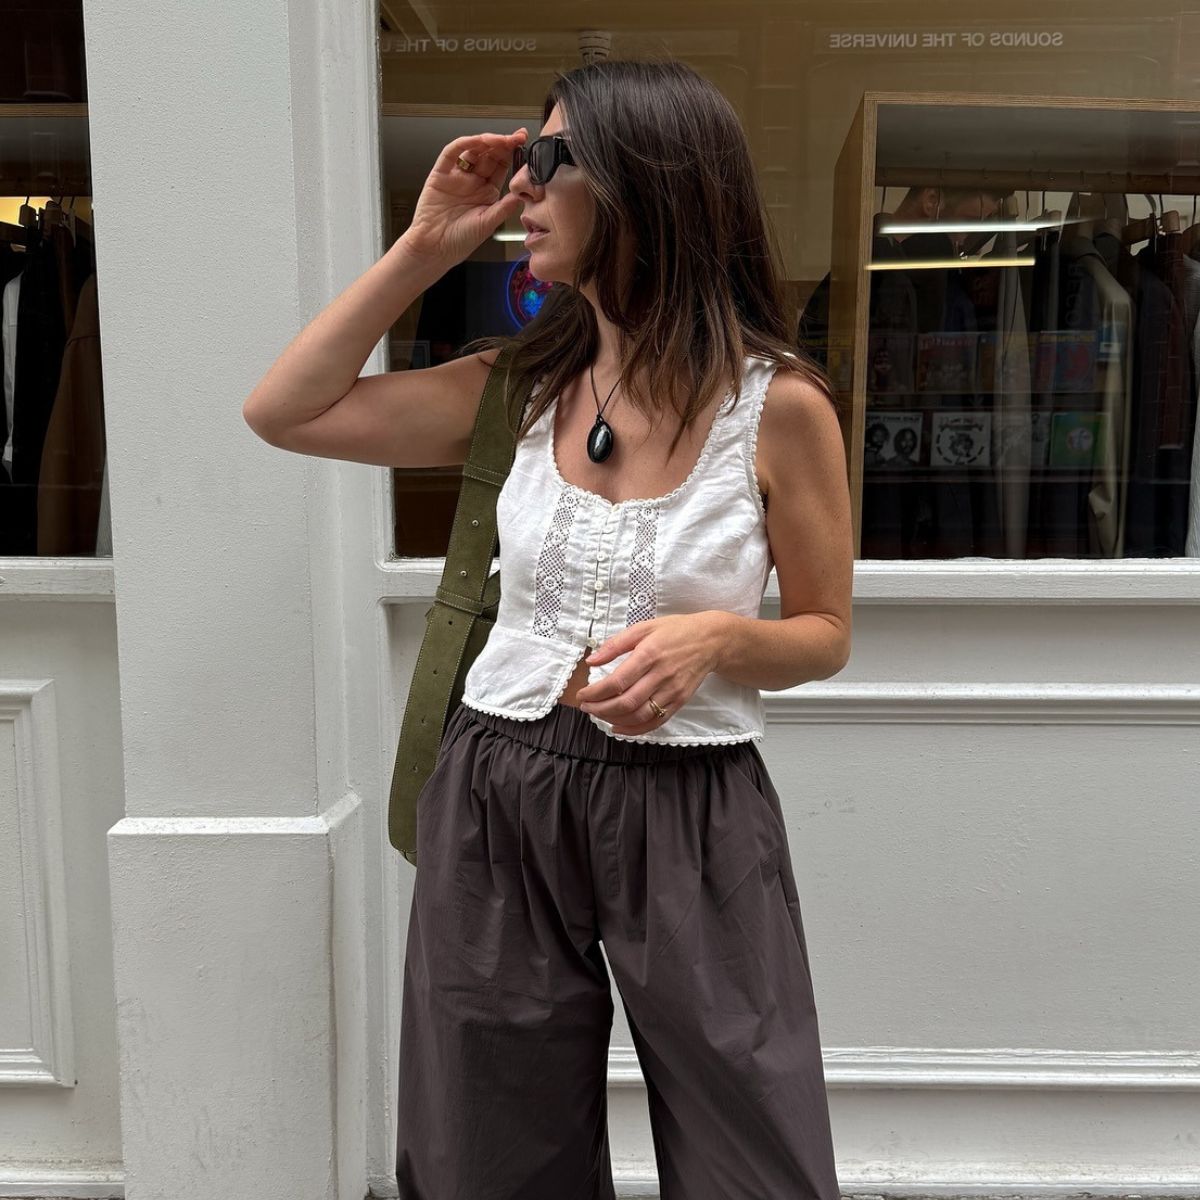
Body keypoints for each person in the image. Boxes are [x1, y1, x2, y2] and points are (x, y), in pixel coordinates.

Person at [243, 57, 852, 1200]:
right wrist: (424, 248)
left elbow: (824, 630)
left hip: (691, 803)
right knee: (488, 1149)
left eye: (549, 159)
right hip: (499, 785)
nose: (521, 185)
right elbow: (285, 410)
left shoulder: (778, 410)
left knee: (752, 1145)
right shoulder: (518, 389)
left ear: (644, 182)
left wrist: (715, 641)